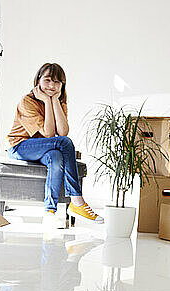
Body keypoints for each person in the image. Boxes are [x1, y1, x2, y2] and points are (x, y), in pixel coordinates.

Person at [6, 63, 103, 224]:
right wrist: (45, 100)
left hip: (45, 148)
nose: (52, 85)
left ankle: (50, 212)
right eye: (48, 80)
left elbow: (63, 131)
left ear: (62, 85)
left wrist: (54, 101)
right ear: (38, 81)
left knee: (56, 156)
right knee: (65, 143)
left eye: (57, 82)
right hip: (20, 146)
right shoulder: (27, 101)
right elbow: (50, 133)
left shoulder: (60, 101)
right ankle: (77, 201)